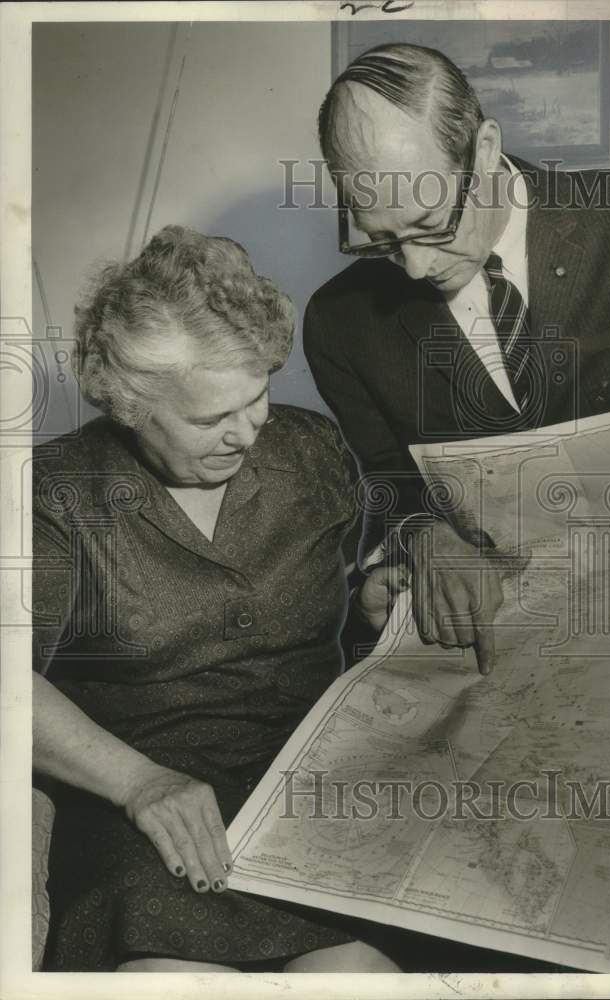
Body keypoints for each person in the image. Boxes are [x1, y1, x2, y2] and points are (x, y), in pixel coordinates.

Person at [303, 42, 610, 676]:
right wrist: (422, 533)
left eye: (433, 225)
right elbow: (391, 475)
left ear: (487, 148)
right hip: (507, 647)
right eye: (382, 241)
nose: (415, 267)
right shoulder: (340, 323)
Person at [32, 225, 405, 973]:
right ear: (132, 409)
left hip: (304, 792)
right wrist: (138, 783)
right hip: (141, 804)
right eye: (210, 419)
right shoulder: (58, 493)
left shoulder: (312, 449)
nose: (246, 433)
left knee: (359, 977)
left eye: (258, 396)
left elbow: (353, 590)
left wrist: (373, 603)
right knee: (173, 977)